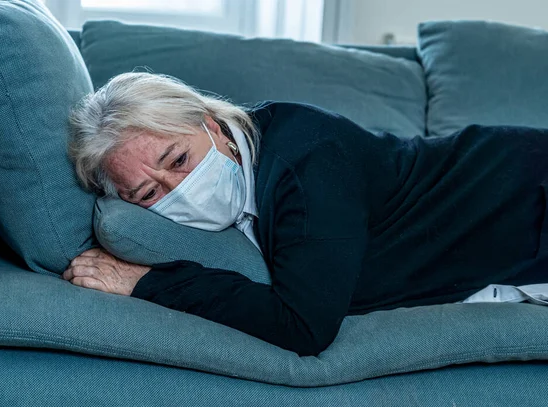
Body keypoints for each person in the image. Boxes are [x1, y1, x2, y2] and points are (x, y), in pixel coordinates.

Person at [63, 72, 548, 357]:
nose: (179, 189)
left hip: (527, 186)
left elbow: (303, 326)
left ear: (210, 125)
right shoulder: (253, 168)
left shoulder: (306, 161)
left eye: (179, 160)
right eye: (149, 192)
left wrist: (145, 282)